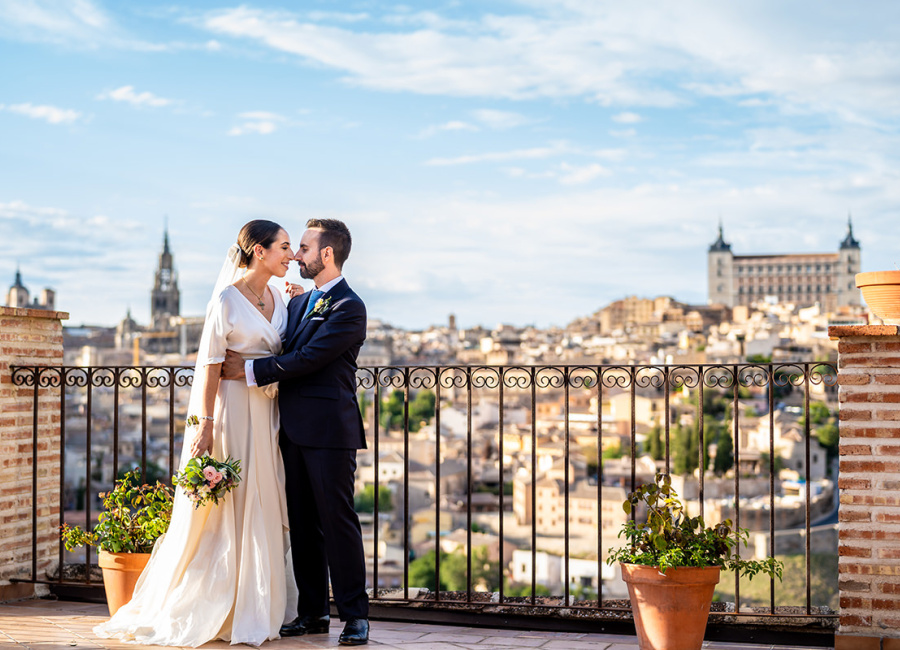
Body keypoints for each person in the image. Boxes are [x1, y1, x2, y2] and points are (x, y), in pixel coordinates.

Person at [94, 220, 298, 647]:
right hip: (232, 411)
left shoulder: (279, 295)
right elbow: (208, 367)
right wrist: (204, 426)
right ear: (259, 251)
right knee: (232, 503)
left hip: (266, 413)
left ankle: (258, 601)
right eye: (283, 247)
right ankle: (223, 603)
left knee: (263, 496)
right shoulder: (226, 299)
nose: (291, 255)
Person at [222, 218, 370, 646]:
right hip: (291, 429)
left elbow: (308, 357)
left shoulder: (349, 307)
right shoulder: (302, 302)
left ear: (327, 254)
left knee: (338, 522)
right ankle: (313, 612)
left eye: (303, 248)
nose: (295, 255)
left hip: (328, 432)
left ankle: (355, 616)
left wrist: (248, 369)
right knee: (304, 524)